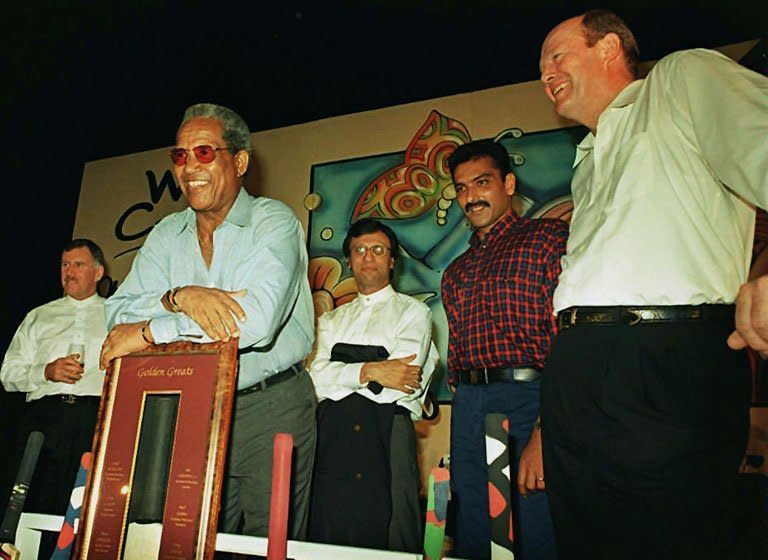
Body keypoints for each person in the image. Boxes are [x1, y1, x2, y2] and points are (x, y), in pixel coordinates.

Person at [538, 10, 768, 559]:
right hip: (576, 363)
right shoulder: (587, 159)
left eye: (556, 55)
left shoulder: (683, 79)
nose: (544, 74)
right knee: (583, 541)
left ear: (610, 47)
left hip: (668, 357)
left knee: (674, 538)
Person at [100, 103, 316, 539]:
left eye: (204, 152)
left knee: (267, 544)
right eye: (179, 156)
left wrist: (149, 331)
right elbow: (115, 313)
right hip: (192, 408)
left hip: (269, 406)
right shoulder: (164, 235)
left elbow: (253, 323)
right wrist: (182, 297)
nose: (188, 167)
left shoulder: (273, 222)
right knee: (188, 539)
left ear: (239, 162)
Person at [442, 139, 568, 560]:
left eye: (481, 183)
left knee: (535, 526)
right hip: (469, 405)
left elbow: (569, 345)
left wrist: (544, 429)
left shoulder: (548, 240)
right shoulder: (455, 272)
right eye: (461, 188)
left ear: (508, 183)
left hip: (531, 400)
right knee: (473, 527)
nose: (470, 197)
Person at [307, 218, 438, 552]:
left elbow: (400, 383)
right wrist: (372, 370)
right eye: (359, 250)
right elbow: (314, 381)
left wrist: (344, 370)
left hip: (388, 433)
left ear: (392, 259)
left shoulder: (415, 313)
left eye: (378, 250)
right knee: (328, 535)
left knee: (392, 536)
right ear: (349, 260)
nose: (368, 257)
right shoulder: (330, 320)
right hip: (332, 437)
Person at [1, 239, 107, 515]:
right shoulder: (38, 316)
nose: (68, 271)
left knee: (87, 509)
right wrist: (45, 372)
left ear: (98, 273)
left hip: (96, 420)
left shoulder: (117, 314)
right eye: (64, 264)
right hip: (43, 421)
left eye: (78, 264)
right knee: (31, 506)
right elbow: (8, 374)